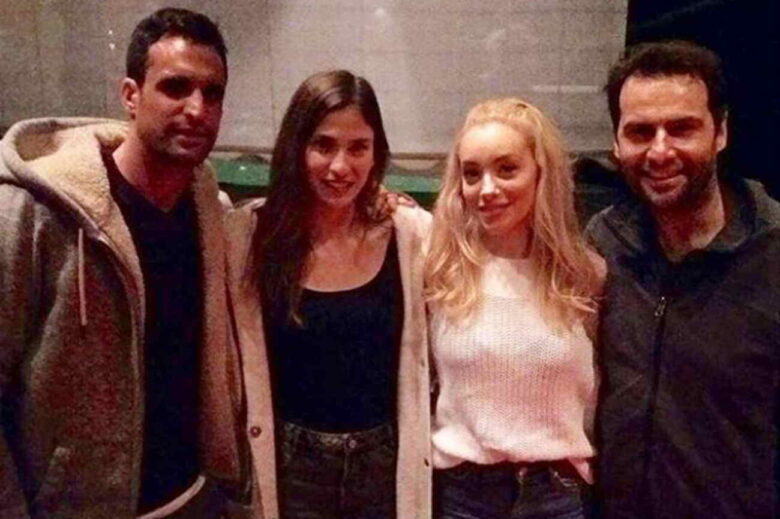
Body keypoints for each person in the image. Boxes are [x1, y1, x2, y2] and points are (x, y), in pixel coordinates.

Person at [0, 8, 246, 519]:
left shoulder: (209, 210)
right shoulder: (35, 213)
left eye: (212, 93)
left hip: (194, 498)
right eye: (175, 87)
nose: (197, 108)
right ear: (131, 95)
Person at [224, 70, 432, 519]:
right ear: (296, 147)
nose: (341, 167)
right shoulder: (247, 236)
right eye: (323, 145)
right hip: (290, 466)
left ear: (377, 152)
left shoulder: (410, 235)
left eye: (358, 147)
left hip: (384, 464)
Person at [587, 40, 780, 519]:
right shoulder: (602, 244)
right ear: (616, 143)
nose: (659, 151)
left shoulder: (773, 254)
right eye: (640, 132)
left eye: (681, 128)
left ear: (721, 132)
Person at [425, 98, 605, 519]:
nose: (487, 189)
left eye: (506, 169)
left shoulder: (586, 275)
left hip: (556, 495)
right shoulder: (437, 267)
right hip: (464, 496)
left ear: (541, 174)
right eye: (472, 174)